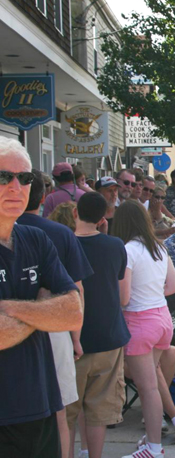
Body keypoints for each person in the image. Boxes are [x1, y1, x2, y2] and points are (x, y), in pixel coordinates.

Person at [0, 139, 82, 458]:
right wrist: (42, 310)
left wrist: (9, 309)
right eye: (3, 177)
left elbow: (73, 313)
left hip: (41, 407)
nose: (15, 186)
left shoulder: (35, 238)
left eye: (25, 178)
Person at [18, 171, 94, 458]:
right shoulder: (60, 232)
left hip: (38, 328)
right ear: (43, 197)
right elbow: (77, 290)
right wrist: (76, 338)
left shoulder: (42, 234)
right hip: (54, 331)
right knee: (59, 413)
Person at [111, 200, 175, 458]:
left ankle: (153, 447)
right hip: (163, 319)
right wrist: (152, 293)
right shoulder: (159, 248)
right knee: (150, 384)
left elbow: (123, 298)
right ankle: (151, 441)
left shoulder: (127, 250)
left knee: (148, 388)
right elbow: (174, 286)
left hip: (140, 322)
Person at [67, 192, 129, 458]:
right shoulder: (116, 246)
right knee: (99, 412)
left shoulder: (62, 244)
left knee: (68, 412)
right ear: (103, 218)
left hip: (72, 339)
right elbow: (122, 293)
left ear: (74, 213)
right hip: (108, 336)